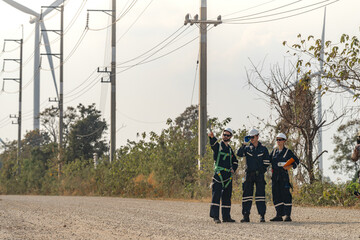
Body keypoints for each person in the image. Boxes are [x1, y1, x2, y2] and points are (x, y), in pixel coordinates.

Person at [237, 129, 270, 223]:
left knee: (260, 196)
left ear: (257, 137)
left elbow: (267, 162)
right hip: (249, 175)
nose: (251, 139)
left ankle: (262, 216)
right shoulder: (247, 148)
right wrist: (244, 143)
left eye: (253, 137)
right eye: (250, 137)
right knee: (247, 195)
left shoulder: (263, 149)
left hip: (259, 175)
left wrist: (261, 171)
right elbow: (239, 154)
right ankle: (246, 216)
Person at [208, 128, 238, 224]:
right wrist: (212, 137)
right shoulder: (218, 146)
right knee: (216, 195)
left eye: (227, 135)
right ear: (222, 135)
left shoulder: (229, 149)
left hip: (228, 177)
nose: (225, 136)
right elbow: (213, 145)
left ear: (230, 137)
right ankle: (215, 217)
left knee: (227, 196)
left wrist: (233, 168)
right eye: (224, 134)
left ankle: (226, 217)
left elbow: (235, 161)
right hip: (219, 175)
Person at [269, 133, 299, 222]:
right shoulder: (274, 152)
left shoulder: (288, 152)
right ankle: (279, 215)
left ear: (284, 141)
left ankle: (287, 215)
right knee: (276, 195)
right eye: (277, 139)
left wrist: (289, 166)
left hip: (284, 177)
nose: (278, 141)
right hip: (275, 177)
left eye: (280, 139)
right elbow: (267, 161)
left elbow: (296, 161)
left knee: (286, 195)